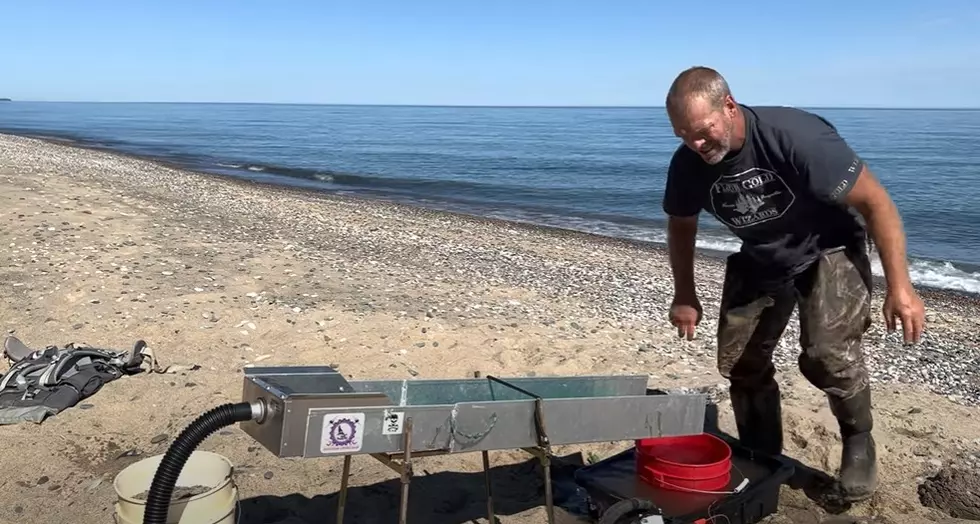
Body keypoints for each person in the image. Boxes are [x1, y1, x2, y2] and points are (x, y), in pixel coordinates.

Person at [661, 66, 926, 503]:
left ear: (728, 107)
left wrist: (901, 288)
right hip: (763, 253)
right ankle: (761, 452)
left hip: (829, 247)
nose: (696, 144)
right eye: (684, 135)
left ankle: (859, 440)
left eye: (703, 131)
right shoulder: (688, 162)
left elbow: (877, 204)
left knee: (825, 356)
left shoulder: (796, 136)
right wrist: (684, 293)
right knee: (740, 362)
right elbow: (681, 225)